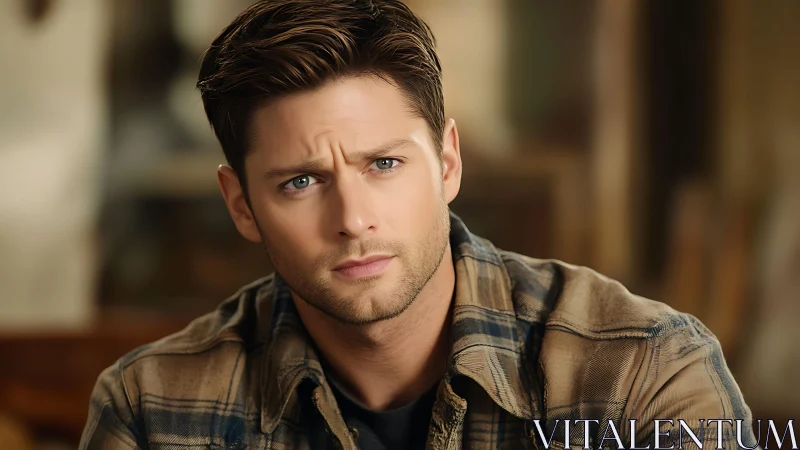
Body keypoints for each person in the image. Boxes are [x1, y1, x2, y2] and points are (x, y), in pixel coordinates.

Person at [80, 1, 756, 449]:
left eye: (383, 164)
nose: (353, 219)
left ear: (448, 162)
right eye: (300, 181)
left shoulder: (642, 370)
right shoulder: (153, 408)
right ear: (241, 206)